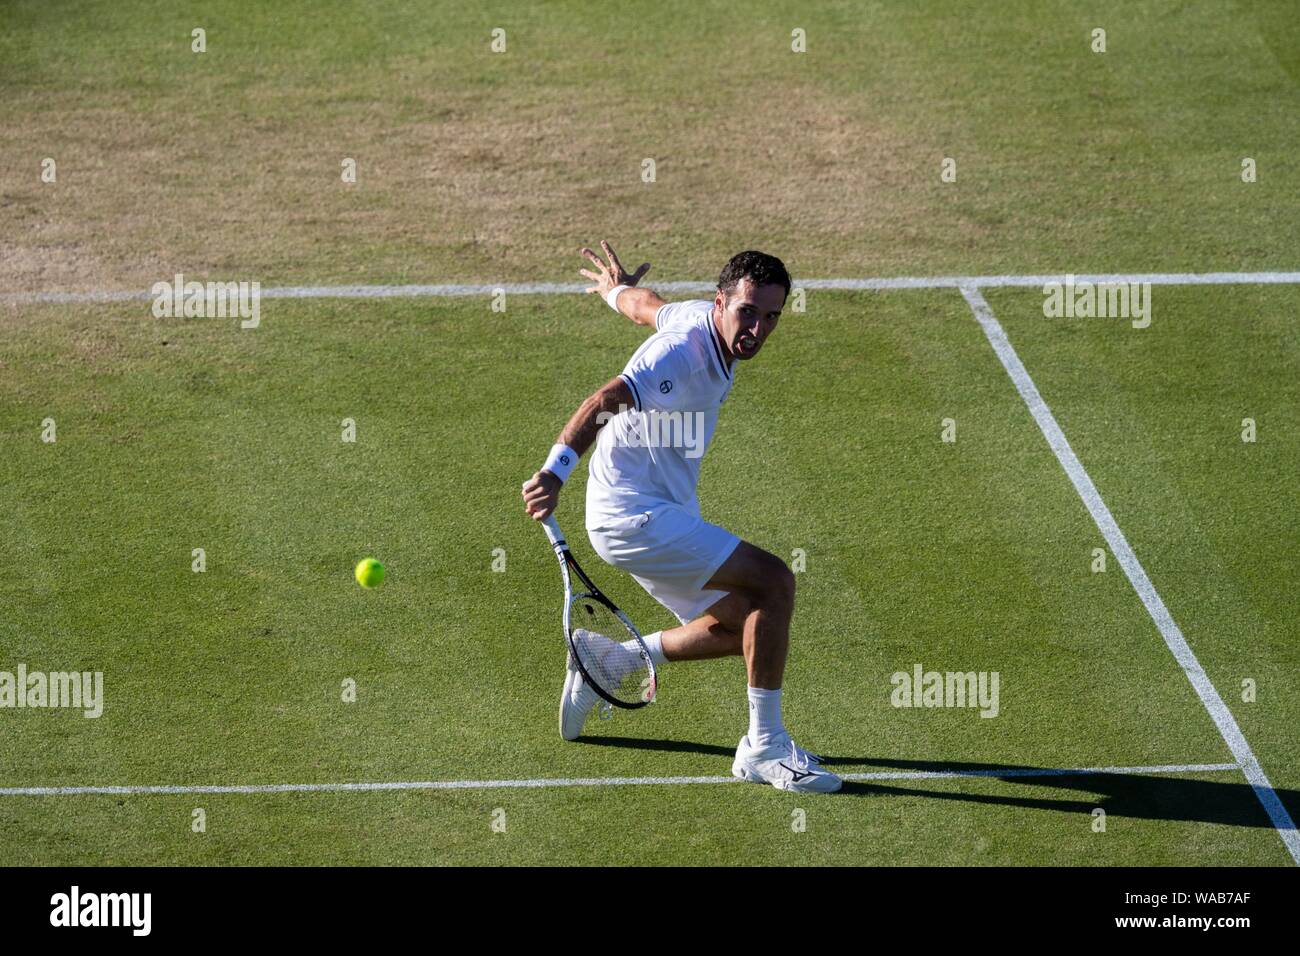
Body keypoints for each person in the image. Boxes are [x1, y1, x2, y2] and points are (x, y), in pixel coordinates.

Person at [521, 241, 841, 793]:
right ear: (720, 303)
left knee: (747, 623)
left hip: (657, 509)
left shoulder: (698, 317)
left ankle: (613, 663)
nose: (757, 330)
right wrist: (554, 472)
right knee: (775, 581)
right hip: (632, 514)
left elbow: (647, 305)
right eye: (747, 312)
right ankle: (763, 750)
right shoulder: (681, 354)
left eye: (771, 317)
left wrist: (615, 290)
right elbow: (606, 398)